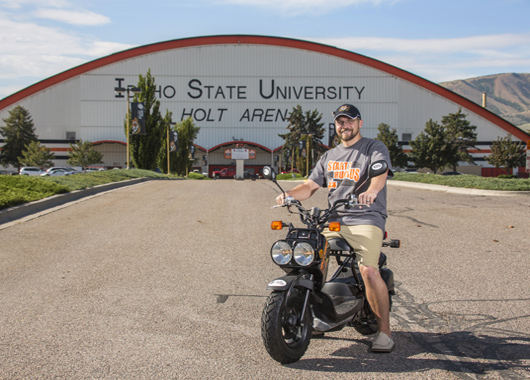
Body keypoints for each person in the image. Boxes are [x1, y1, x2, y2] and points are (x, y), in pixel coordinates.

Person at [275, 103, 395, 353]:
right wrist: (289, 194)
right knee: (306, 258)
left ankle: (384, 332)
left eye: (349, 121)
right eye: (340, 122)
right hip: (334, 220)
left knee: (369, 270)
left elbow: (379, 175)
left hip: (366, 218)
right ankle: (315, 315)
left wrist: (371, 193)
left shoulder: (374, 147)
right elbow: (309, 186)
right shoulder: (329, 157)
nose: (345, 125)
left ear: (359, 123)